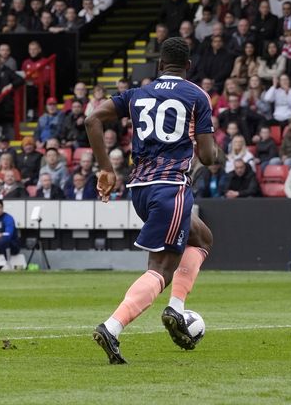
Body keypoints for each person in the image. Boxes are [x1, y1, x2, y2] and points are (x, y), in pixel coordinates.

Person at [85, 37, 217, 364]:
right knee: (161, 268)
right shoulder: (196, 94)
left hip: (140, 188)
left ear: (159, 65)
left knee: (201, 237)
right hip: (170, 187)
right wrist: (216, 154)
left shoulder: (137, 94)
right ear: (188, 66)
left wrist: (105, 169)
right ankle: (112, 327)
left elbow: (91, 119)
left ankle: (176, 309)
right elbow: (208, 154)